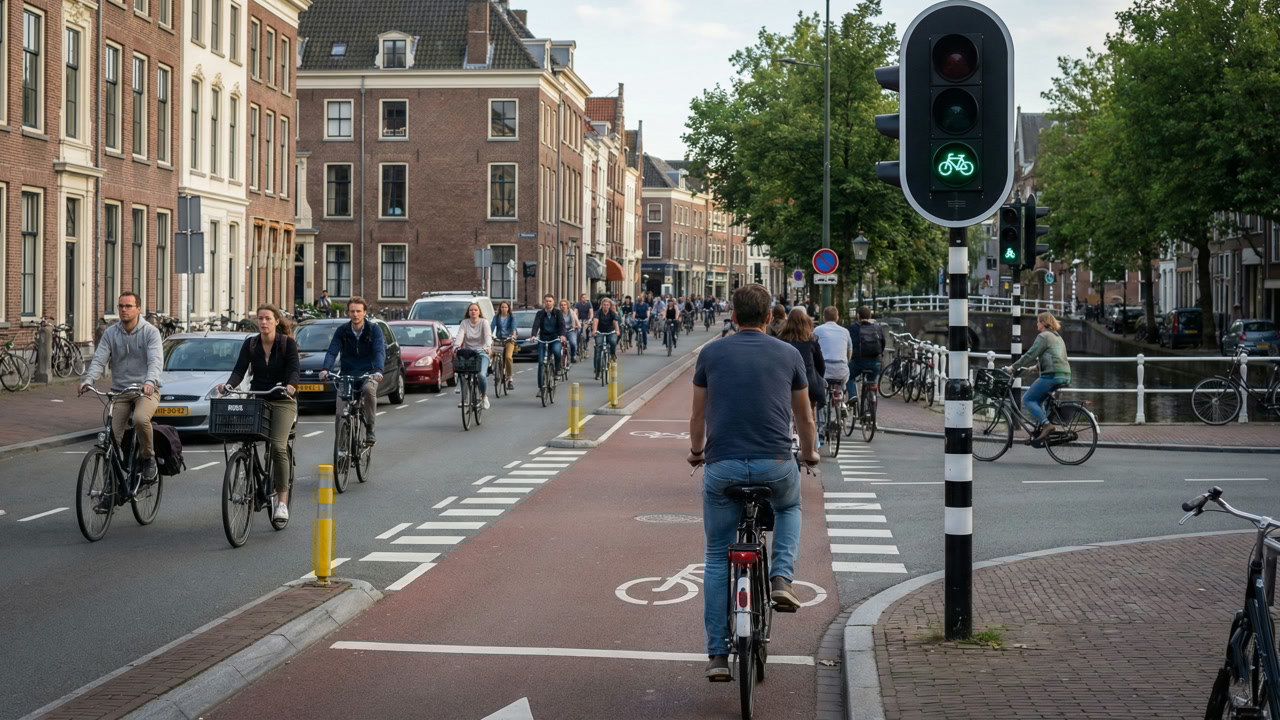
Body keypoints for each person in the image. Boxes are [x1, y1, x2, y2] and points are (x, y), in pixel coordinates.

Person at [688, 283, 819, 681]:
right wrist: (809, 454)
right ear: (767, 318)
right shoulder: (789, 353)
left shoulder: (711, 352)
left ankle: (716, 655)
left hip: (723, 465)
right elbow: (804, 417)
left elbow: (698, 415)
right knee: (790, 506)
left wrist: (696, 451)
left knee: (716, 556)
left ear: (732, 314)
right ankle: (781, 578)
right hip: (775, 464)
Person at [218, 304, 300, 521]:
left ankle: (282, 503)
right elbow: (239, 370)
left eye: (267, 318)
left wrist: (291, 385)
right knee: (245, 440)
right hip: (258, 399)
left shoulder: (287, 344)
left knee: (278, 447)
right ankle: (247, 479)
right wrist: (228, 386)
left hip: (282, 400)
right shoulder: (251, 344)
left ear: (276, 321)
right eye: (260, 318)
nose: (263, 322)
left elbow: (294, 369)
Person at [80, 291, 165, 483]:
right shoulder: (111, 333)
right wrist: (89, 380)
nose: (123, 310)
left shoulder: (150, 332)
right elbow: (99, 359)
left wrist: (150, 381)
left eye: (128, 306)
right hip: (120, 392)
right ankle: (110, 488)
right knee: (110, 438)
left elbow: (155, 361)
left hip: (145, 391)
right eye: (120, 306)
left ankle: (148, 458)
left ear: (138, 309)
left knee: (140, 419)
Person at [318, 297, 385, 445]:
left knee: (369, 391)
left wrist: (379, 370)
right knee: (340, 412)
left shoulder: (374, 330)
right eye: (352, 311)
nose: (355, 314)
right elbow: (332, 351)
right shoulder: (342, 331)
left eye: (358, 311)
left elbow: (379, 350)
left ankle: (370, 428)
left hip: (368, 373)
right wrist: (325, 369)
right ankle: (341, 446)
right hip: (347, 374)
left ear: (365, 312)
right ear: (348, 312)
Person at [1007, 311, 1072, 443]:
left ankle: (1047, 425)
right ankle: (1039, 432)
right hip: (1064, 375)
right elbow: (1054, 356)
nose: (1036, 324)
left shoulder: (1043, 336)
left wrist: (1014, 367)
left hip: (1051, 376)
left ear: (1043, 323)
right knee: (1039, 401)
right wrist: (1036, 368)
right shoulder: (1058, 337)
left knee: (1028, 400)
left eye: (1037, 321)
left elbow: (1030, 354)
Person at [776, 308, 826, 445]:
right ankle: (812, 447)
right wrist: (819, 377)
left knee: (787, 412)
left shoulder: (781, 339)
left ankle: (788, 441)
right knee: (811, 414)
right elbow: (821, 365)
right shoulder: (811, 339)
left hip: (787, 382)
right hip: (808, 383)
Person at [454, 302, 494, 410]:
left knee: (481, 375)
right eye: (471, 310)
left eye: (475, 310)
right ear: (468, 312)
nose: (473, 312)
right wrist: (456, 346)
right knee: (463, 374)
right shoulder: (464, 323)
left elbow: (487, 336)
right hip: (468, 353)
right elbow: (459, 335)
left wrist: (488, 346)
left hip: (482, 352)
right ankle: (464, 399)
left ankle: (484, 396)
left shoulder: (484, 322)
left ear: (479, 312)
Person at [813, 306, 853, 412]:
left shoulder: (817, 330)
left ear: (823, 318)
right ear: (837, 318)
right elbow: (849, 351)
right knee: (842, 382)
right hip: (841, 370)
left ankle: (822, 408)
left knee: (820, 385)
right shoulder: (845, 331)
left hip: (824, 370)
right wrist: (846, 361)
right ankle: (840, 399)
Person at [847, 305, 886, 406]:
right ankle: (872, 399)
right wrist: (880, 356)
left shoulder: (853, 328)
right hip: (875, 361)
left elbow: (849, 344)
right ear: (870, 316)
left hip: (858, 361)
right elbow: (883, 343)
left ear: (858, 316)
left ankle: (852, 395)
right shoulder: (877, 327)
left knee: (848, 375)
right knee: (872, 381)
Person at [531, 294, 567, 393]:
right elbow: (536, 325)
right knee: (541, 362)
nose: (548, 303)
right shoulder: (540, 313)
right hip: (543, 339)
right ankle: (541, 388)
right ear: (544, 302)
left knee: (556, 351)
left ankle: (557, 369)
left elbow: (562, 325)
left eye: (550, 301)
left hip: (555, 338)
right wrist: (533, 335)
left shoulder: (558, 313)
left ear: (553, 302)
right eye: (546, 301)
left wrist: (562, 335)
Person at [490, 301, 518, 391]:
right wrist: (489, 335)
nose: (504, 309)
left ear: (508, 308)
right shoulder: (496, 317)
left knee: (508, 357)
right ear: (500, 308)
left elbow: (513, 327)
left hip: (509, 340)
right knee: (493, 353)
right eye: (502, 307)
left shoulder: (512, 317)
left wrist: (513, 335)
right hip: (499, 339)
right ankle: (496, 371)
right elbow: (492, 327)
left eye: (506, 307)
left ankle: (509, 378)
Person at [592, 297, 621, 375]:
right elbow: (595, 321)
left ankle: (612, 353)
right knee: (598, 349)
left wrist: (617, 330)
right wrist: (594, 330)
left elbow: (615, 322)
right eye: (604, 305)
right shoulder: (598, 312)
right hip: (600, 332)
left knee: (613, 341)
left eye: (607, 305)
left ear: (610, 306)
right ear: (602, 305)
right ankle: (597, 371)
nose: (606, 306)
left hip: (610, 332)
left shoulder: (612, 313)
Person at [560, 299, 581, 365]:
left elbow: (576, 319)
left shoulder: (571, 312)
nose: (563, 306)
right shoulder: (559, 313)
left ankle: (573, 356)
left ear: (567, 305)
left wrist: (578, 325)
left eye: (564, 305)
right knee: (559, 344)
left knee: (573, 343)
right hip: (561, 331)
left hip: (570, 330)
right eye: (562, 305)